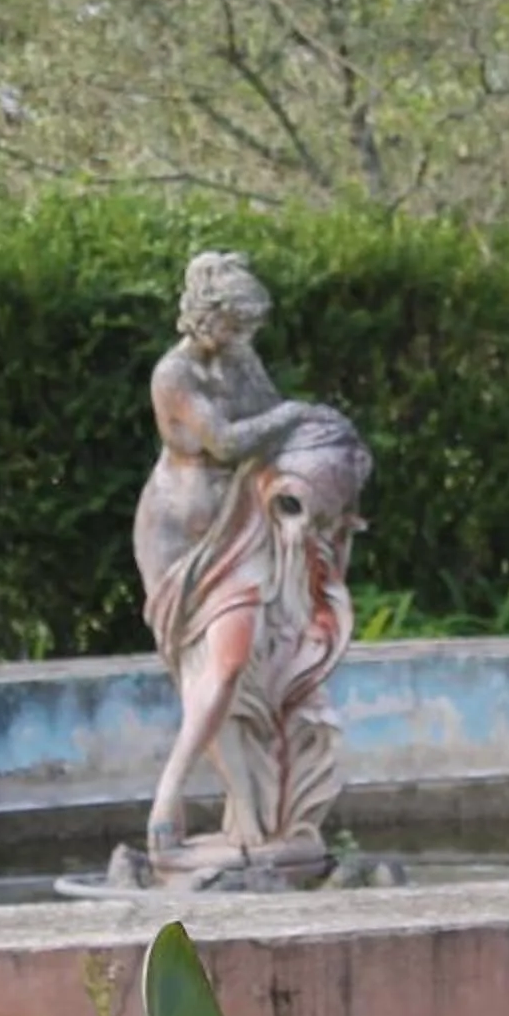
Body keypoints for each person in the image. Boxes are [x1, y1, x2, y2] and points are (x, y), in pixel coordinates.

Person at [133, 252, 371, 871]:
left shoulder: (239, 359)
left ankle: (251, 819)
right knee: (210, 668)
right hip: (177, 533)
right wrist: (299, 414)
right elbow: (230, 440)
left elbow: (269, 420)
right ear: (211, 317)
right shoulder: (174, 374)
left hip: (240, 518)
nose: (246, 337)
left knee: (241, 663)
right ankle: (173, 800)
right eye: (238, 324)